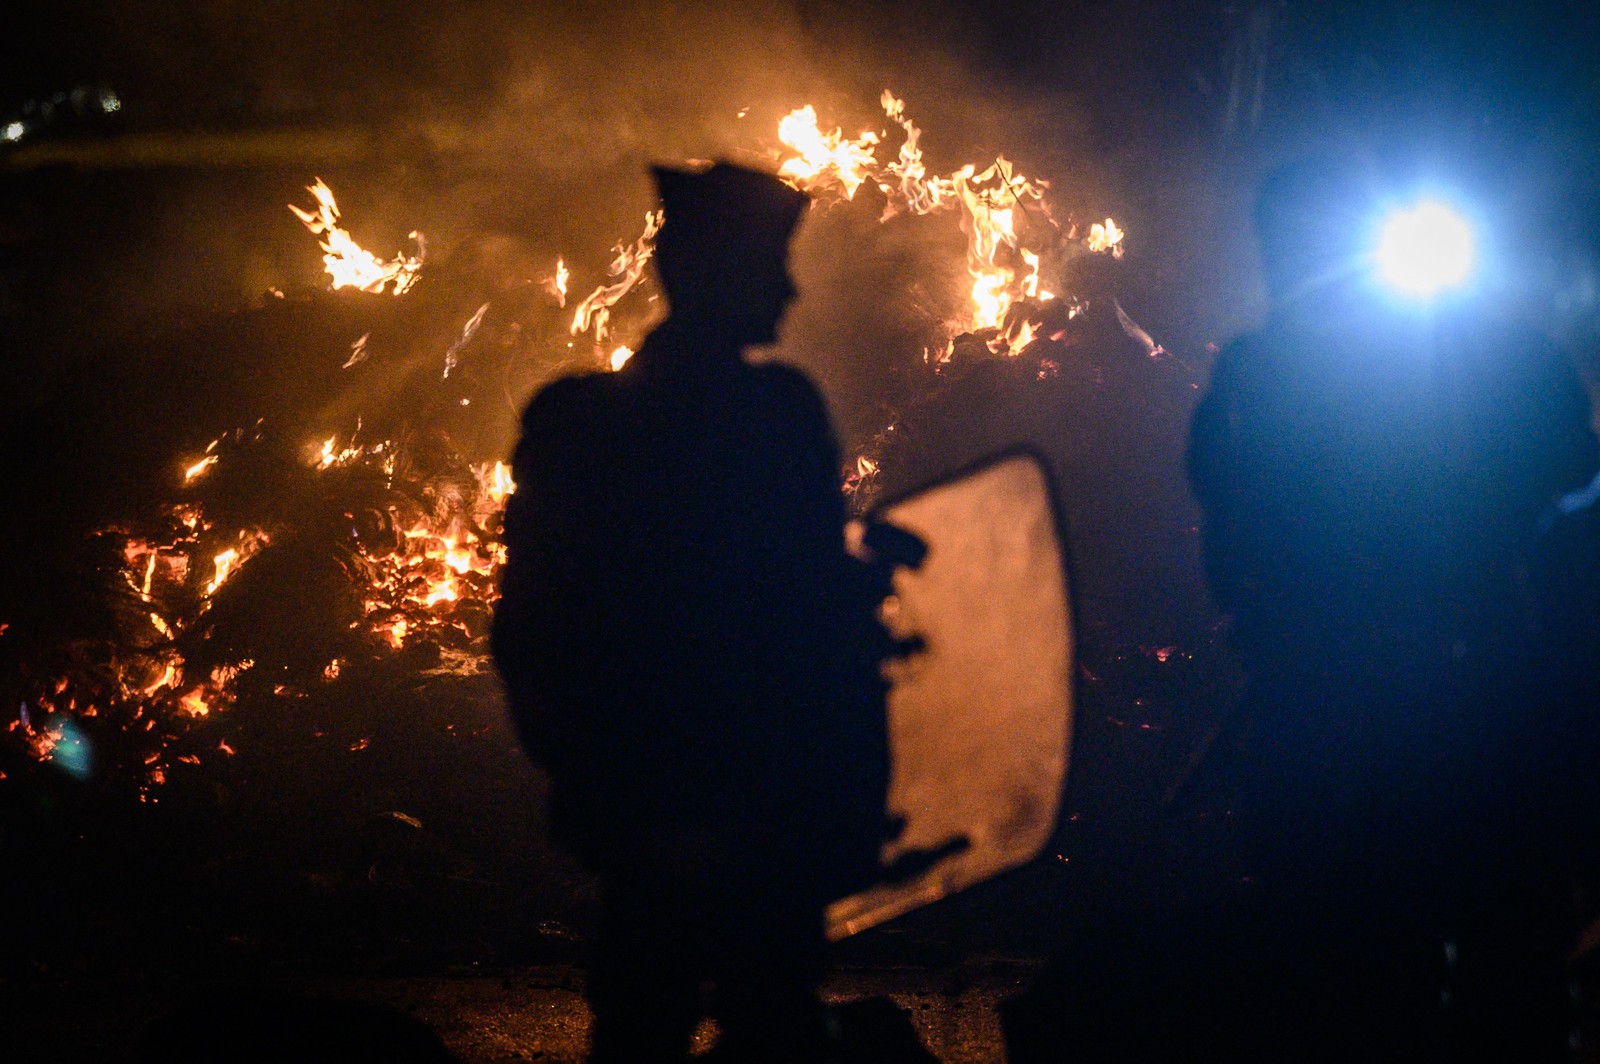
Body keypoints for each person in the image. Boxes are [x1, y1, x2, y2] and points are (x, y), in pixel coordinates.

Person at [1186, 158, 1600, 1058]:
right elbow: (1230, 536)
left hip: (1452, 689)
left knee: (1488, 954)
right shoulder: (1261, 378)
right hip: (1357, 698)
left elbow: (1570, 475)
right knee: (1363, 961)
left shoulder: (1484, 360)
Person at [492, 162, 897, 1062]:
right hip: (747, 790)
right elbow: (802, 616)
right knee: (771, 1019)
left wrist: (583, 773)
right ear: (713, 269)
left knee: (646, 1019)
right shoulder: (775, 416)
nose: (789, 287)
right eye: (771, 261)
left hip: (646, 792)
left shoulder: (579, 422)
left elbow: (533, 624)